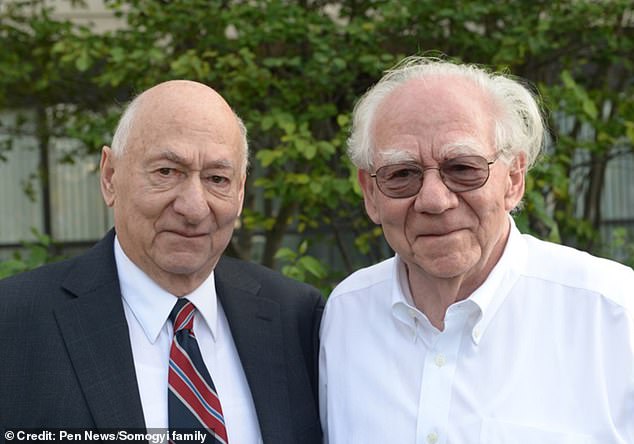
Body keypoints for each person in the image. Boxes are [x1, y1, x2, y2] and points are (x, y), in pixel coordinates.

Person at [319, 57, 634, 443]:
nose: (434, 200)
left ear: (514, 179)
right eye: (402, 175)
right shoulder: (347, 314)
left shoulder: (614, 312)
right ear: (370, 193)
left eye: (463, 168)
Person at [0, 80, 323, 444]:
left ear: (241, 191)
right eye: (167, 172)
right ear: (110, 177)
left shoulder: (297, 318)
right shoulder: (13, 322)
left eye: (217, 179)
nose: (194, 207)